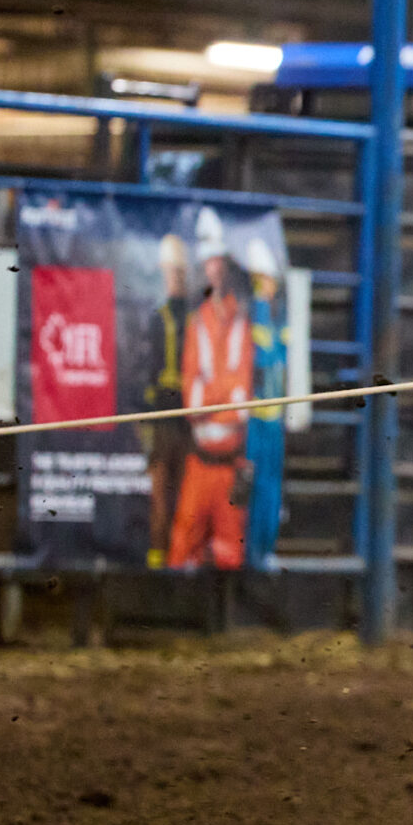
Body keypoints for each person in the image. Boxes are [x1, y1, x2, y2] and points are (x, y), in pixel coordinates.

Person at [168, 207, 251, 570]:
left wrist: (213, 394)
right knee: (182, 543)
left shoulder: (241, 323)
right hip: (200, 461)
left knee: (231, 551)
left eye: (218, 261)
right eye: (208, 261)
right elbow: (193, 398)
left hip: (230, 463)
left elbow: (242, 397)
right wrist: (222, 393)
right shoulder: (197, 324)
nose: (213, 268)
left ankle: (223, 622)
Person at [141, 233, 192, 569]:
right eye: (168, 270)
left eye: (177, 270)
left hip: (191, 416)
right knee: (159, 491)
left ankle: (179, 554)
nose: (172, 275)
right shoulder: (157, 318)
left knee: (186, 492)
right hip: (163, 416)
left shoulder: (196, 317)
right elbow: (148, 369)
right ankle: (158, 555)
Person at [242, 238, 286, 568]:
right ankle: (253, 553)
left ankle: (263, 550)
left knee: (269, 487)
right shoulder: (255, 316)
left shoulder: (276, 317)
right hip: (254, 421)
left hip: (274, 421)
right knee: (254, 486)